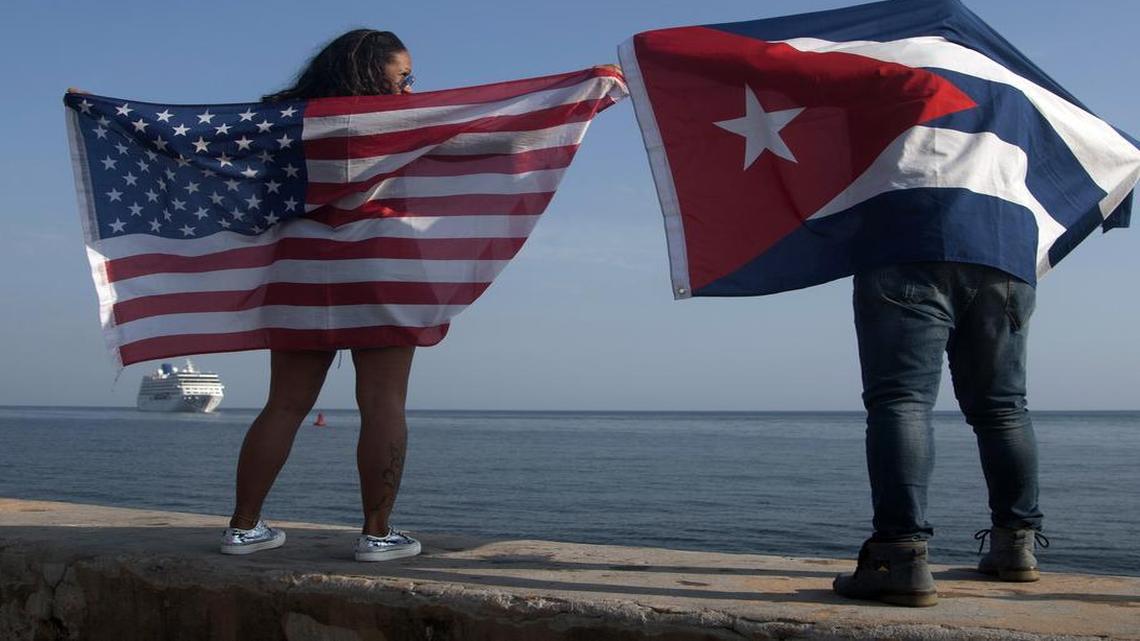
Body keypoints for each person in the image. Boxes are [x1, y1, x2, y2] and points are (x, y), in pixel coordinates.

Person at [218, 29, 422, 562]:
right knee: (383, 403)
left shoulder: (288, 122)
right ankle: (377, 536)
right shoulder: (400, 122)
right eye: (402, 78)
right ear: (370, 71)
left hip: (301, 271)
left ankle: (242, 529)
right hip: (378, 269)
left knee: (284, 404)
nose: (408, 91)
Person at [832, 262, 1048, 607]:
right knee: (1003, 409)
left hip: (914, 247)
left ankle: (900, 557)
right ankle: (1015, 546)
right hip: (1006, 255)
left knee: (902, 400)